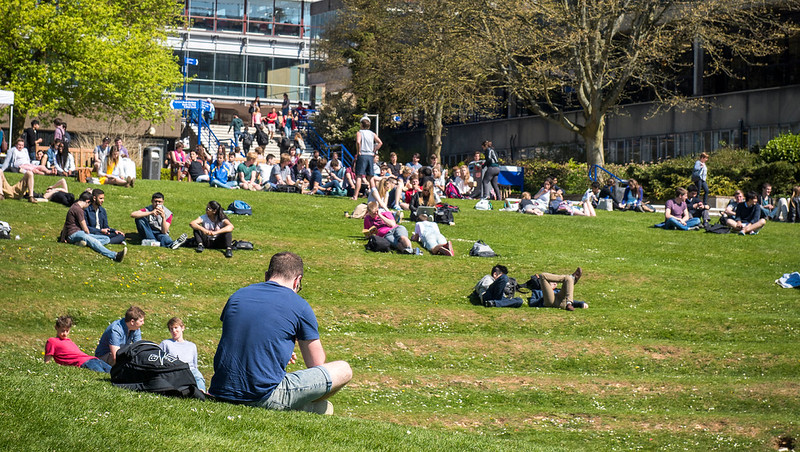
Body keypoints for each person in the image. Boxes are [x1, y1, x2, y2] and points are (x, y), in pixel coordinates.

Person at [209, 252, 353, 414]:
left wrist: (277, 349)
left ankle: (304, 408)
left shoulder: (237, 296)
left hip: (220, 390)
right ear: (297, 281)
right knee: (343, 369)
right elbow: (316, 364)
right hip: (260, 395)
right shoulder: (300, 305)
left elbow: (242, 336)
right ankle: (300, 406)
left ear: (266, 276)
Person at [59, 191, 127, 262]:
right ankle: (115, 255)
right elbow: (85, 228)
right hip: (75, 233)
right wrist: (90, 237)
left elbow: (66, 223)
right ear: (87, 201)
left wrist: (62, 238)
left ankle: (85, 243)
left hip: (79, 233)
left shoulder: (75, 207)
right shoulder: (78, 210)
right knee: (93, 240)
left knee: (106, 238)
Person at [44, 315, 112, 373]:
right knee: (103, 374)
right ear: (56, 327)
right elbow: (48, 356)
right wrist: (46, 366)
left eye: (67, 331)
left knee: (114, 372)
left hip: (93, 359)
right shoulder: (52, 341)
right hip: (84, 362)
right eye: (62, 330)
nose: (65, 333)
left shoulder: (69, 341)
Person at [159, 317, 205, 391]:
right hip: (175, 370)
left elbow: (194, 365)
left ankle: (201, 392)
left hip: (190, 370)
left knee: (198, 376)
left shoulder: (192, 346)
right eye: (171, 329)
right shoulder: (166, 343)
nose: (174, 331)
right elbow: (160, 360)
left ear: (182, 328)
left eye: (176, 328)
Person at [351, 118, 382, 200]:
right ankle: (376, 196)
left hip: (363, 154)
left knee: (359, 176)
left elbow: (358, 142)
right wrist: (374, 150)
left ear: (361, 124)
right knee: (371, 177)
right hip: (370, 155)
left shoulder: (360, 132)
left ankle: (355, 196)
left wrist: (358, 151)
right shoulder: (372, 133)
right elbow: (380, 142)